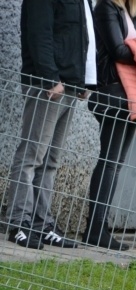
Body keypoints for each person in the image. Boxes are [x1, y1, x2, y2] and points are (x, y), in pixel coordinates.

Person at [6, 0, 94, 250]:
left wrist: (80, 82)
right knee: (32, 156)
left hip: (68, 87)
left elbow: (79, 36)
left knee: (51, 161)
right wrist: (49, 78)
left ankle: (41, 224)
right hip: (48, 87)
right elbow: (39, 33)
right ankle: (19, 224)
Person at [84, 0, 136, 252]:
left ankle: (99, 226)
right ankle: (95, 228)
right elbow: (118, 50)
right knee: (110, 160)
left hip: (132, 96)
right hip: (114, 93)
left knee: (116, 163)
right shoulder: (106, 8)